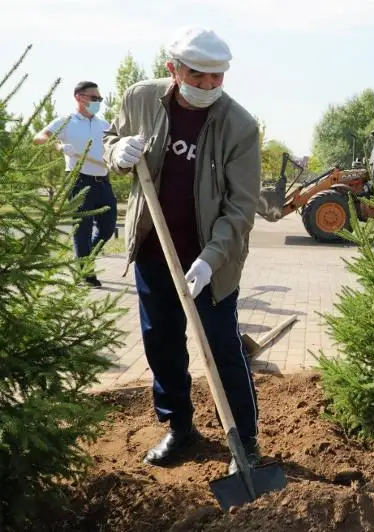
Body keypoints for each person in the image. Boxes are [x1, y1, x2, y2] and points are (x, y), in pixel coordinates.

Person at [103, 26, 262, 474]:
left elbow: (241, 207)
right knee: (161, 343)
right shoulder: (140, 98)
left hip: (211, 261)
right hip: (154, 250)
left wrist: (210, 261)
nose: (209, 85)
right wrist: (118, 152)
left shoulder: (240, 126)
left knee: (222, 347)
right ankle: (179, 427)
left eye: (218, 77)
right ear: (173, 69)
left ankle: (245, 441)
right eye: (199, 75)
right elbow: (110, 140)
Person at [33, 81, 116, 288]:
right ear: (79, 97)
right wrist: (58, 146)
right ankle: (85, 273)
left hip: (103, 181)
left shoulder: (104, 125)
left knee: (107, 228)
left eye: (100, 99)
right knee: (82, 229)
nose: (97, 102)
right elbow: (38, 138)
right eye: (94, 98)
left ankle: (85, 260)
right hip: (79, 180)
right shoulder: (66, 121)